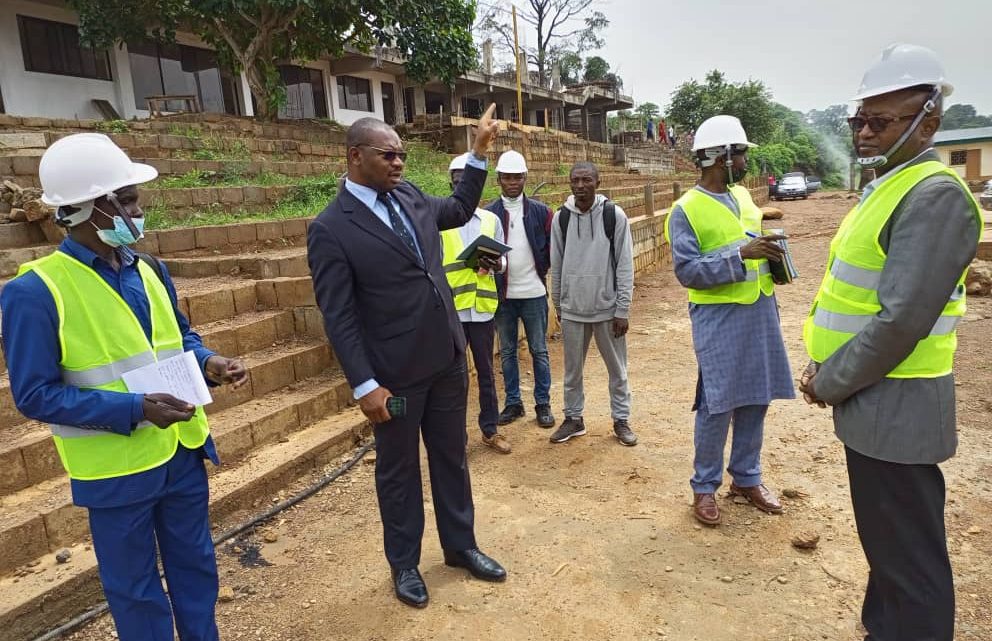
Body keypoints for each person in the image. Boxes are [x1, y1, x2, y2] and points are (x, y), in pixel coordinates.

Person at [0, 133, 248, 641]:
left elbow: (179, 338)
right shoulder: (34, 292)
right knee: (135, 591)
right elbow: (35, 394)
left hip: (181, 450)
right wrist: (134, 409)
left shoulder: (149, 268)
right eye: (128, 200)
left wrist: (210, 362)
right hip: (117, 471)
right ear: (89, 209)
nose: (139, 210)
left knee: (196, 568)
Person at [800, 44, 980, 641]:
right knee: (885, 542)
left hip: (897, 401)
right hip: (873, 397)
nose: (864, 132)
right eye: (859, 120)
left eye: (881, 121)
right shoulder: (887, 187)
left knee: (909, 561)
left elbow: (901, 322)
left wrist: (829, 379)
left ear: (929, 119)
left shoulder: (933, 196)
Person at [306, 106, 506, 609]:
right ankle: (405, 564)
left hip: (444, 360)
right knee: (398, 473)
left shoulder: (410, 196)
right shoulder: (331, 228)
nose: (399, 163)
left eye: (402, 155)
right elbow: (340, 315)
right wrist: (363, 384)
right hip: (394, 378)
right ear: (356, 157)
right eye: (388, 155)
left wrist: (478, 153)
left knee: (451, 458)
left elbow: (458, 210)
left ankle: (460, 546)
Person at [663, 115, 795, 527]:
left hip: (758, 309)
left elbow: (751, 233)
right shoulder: (685, 210)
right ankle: (704, 487)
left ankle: (746, 478)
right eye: (739, 153)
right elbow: (688, 271)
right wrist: (741, 255)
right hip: (718, 316)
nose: (744, 161)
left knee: (757, 396)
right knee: (717, 402)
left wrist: (772, 254)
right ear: (721, 156)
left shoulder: (742, 197)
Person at [549, 162, 637, 446]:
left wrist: (622, 308)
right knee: (572, 371)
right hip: (573, 309)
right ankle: (574, 418)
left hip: (607, 309)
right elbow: (557, 263)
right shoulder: (561, 217)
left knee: (617, 369)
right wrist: (560, 305)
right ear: (569, 183)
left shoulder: (614, 215)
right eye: (575, 180)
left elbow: (625, 265)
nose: (580, 186)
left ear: (598, 183)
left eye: (587, 180)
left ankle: (621, 419)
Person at [441, 153, 510, 454]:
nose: (463, 187)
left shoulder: (491, 221)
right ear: (452, 183)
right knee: (453, 379)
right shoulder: (439, 221)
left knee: (485, 373)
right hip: (451, 313)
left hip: (482, 310)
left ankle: (490, 430)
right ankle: (456, 439)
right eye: (458, 182)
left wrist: (495, 264)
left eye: (468, 183)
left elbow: (504, 263)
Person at [484, 150, 556, 429]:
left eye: (517, 177)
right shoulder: (490, 214)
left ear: (525, 178)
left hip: (534, 293)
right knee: (508, 351)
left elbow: (550, 248)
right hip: (504, 295)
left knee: (539, 350)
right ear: (498, 179)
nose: (512, 182)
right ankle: (513, 403)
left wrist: (543, 271)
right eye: (507, 177)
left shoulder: (540, 211)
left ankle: (543, 403)